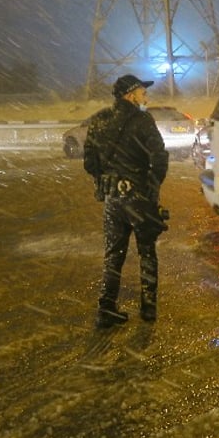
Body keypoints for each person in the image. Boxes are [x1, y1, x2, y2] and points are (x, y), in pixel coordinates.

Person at [83, 74, 170, 328]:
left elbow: (89, 162)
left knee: (113, 254)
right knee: (146, 252)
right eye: (143, 92)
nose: (146, 96)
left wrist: (105, 180)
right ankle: (148, 307)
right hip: (138, 198)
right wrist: (151, 188)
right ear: (130, 95)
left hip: (113, 200)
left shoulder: (99, 120)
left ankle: (107, 308)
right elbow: (160, 157)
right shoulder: (142, 120)